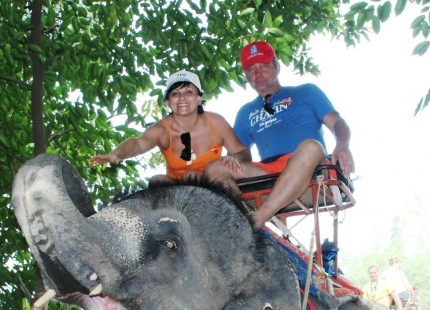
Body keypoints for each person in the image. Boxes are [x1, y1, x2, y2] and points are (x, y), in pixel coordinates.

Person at [205, 41, 355, 229]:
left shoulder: (307, 92)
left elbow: (337, 123)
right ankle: (239, 219)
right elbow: (241, 152)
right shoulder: (246, 112)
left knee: (311, 146)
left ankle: (258, 220)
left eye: (264, 66)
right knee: (215, 168)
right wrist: (232, 159)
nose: (257, 73)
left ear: (277, 66)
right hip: (269, 170)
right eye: (251, 69)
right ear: (246, 76)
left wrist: (342, 145)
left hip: (308, 163)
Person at [90, 70, 250, 181]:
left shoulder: (216, 122)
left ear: (199, 99)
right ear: (167, 102)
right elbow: (138, 143)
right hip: (177, 194)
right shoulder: (162, 130)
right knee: (157, 180)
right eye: (175, 94)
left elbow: (243, 152)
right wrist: (116, 154)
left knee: (192, 176)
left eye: (188, 92)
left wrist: (233, 158)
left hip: (214, 186)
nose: (181, 98)